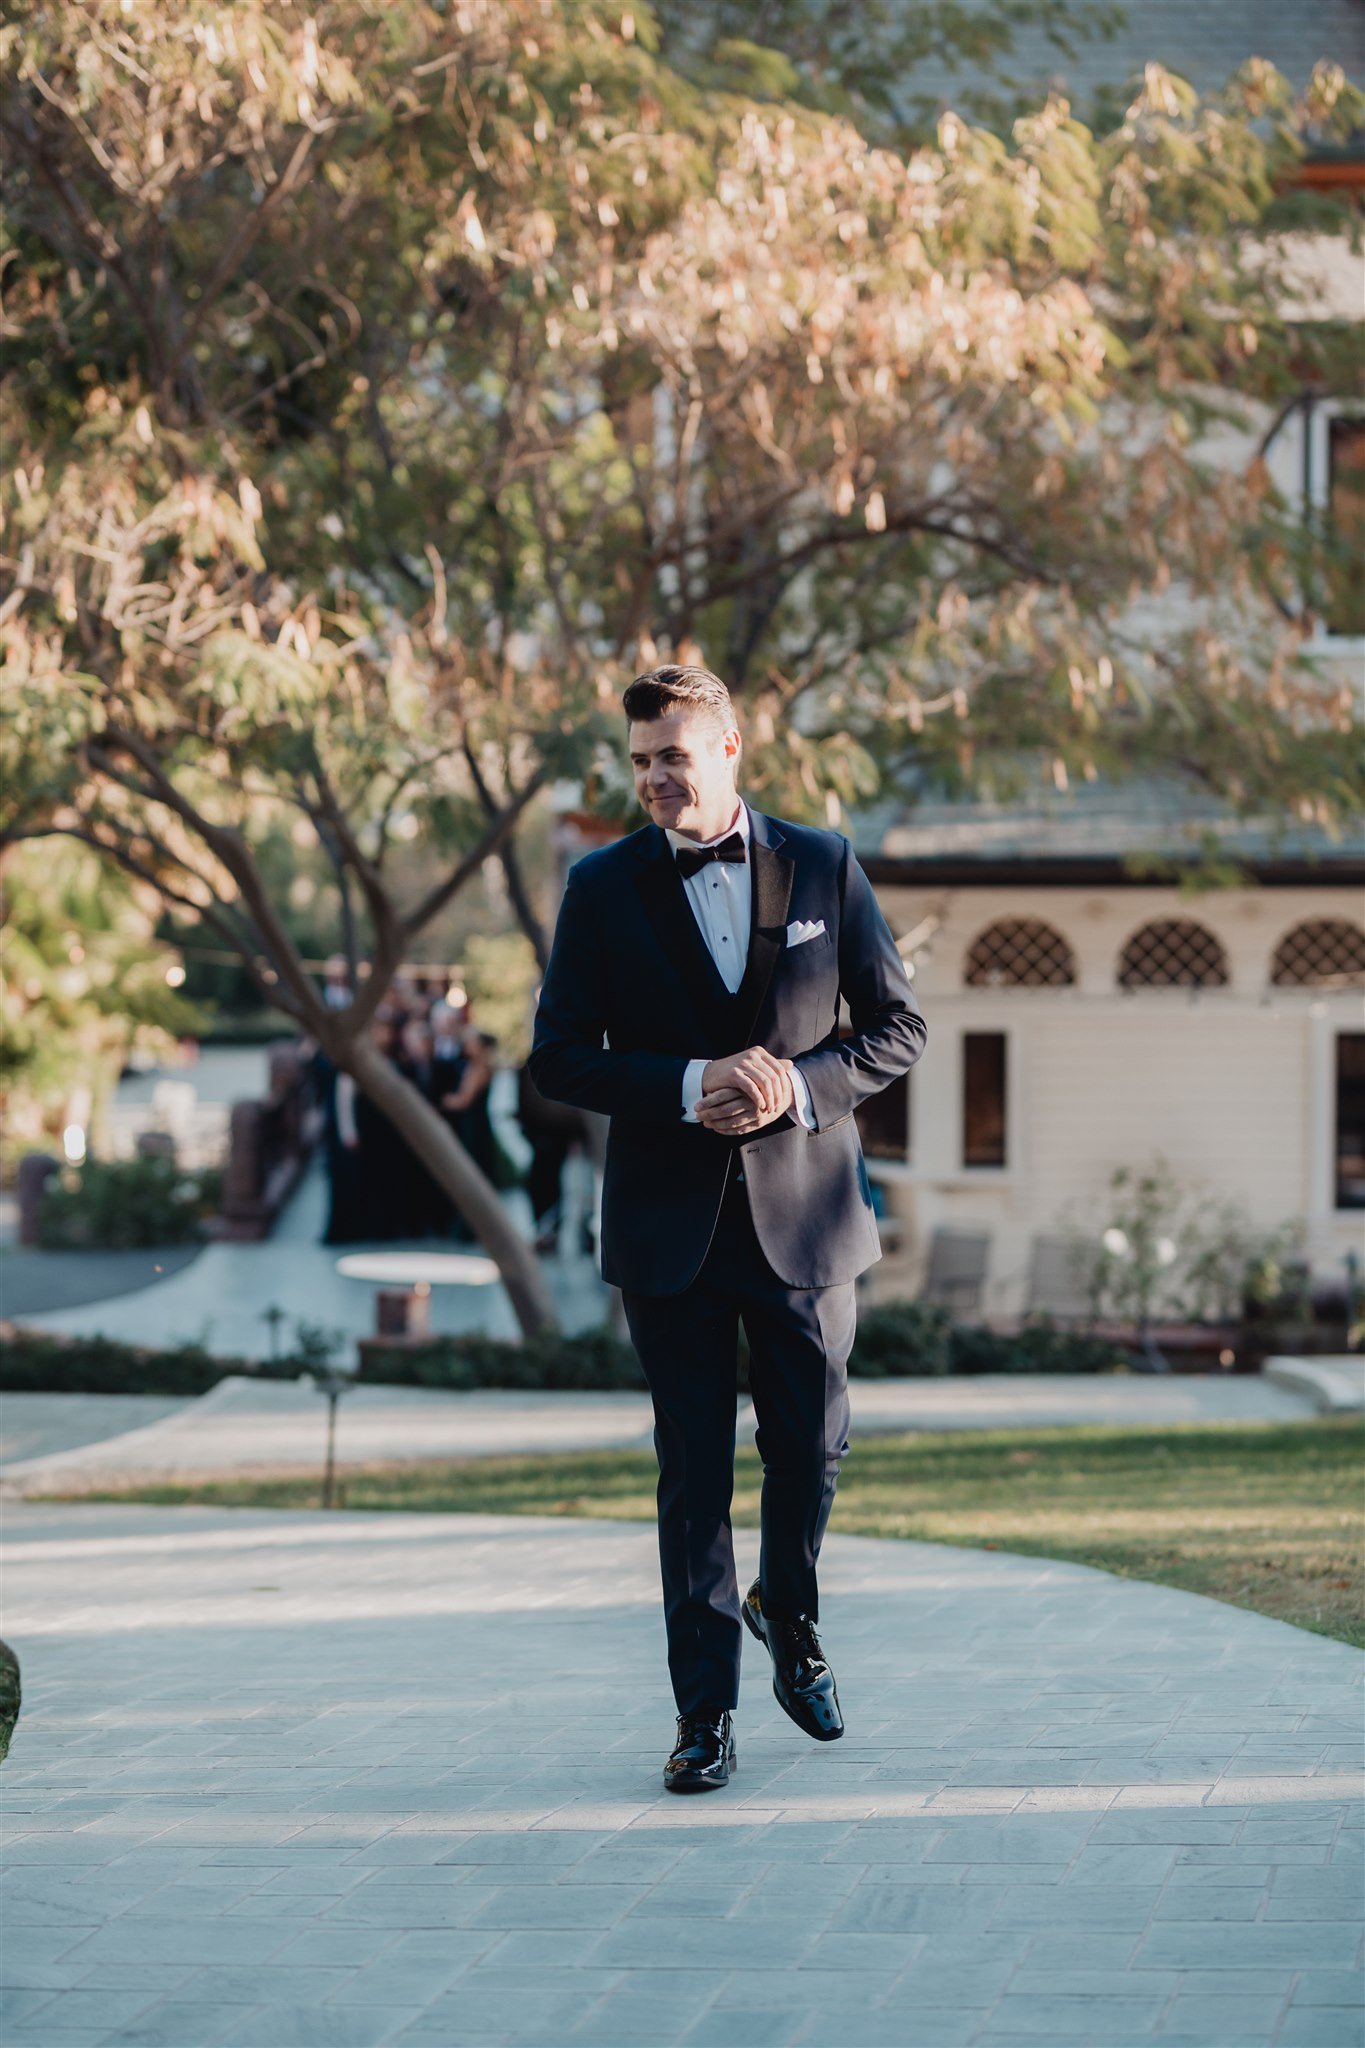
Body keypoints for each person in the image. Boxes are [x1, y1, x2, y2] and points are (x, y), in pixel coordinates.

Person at [529, 664, 926, 1793]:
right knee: (692, 1472)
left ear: (732, 747)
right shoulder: (599, 887)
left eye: (674, 756)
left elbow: (899, 1028)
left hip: (807, 1216)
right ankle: (704, 1715)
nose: (655, 777)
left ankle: (786, 1605)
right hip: (671, 1229)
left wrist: (796, 1086)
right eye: (642, 758)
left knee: (811, 1442)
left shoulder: (825, 863)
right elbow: (559, 1054)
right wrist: (691, 1077)